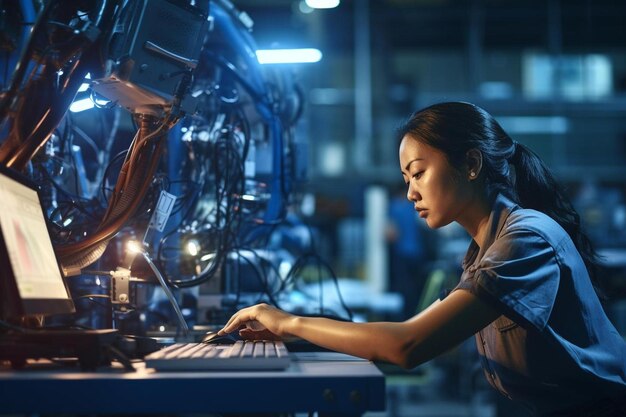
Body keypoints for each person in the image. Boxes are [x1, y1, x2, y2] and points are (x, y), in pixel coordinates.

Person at [219, 102, 626, 417]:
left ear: (470, 164)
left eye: (418, 173)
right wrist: (300, 334)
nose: (411, 192)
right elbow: (405, 335)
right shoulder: (483, 251)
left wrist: (290, 321)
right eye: (405, 179)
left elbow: (407, 346)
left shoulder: (526, 240)